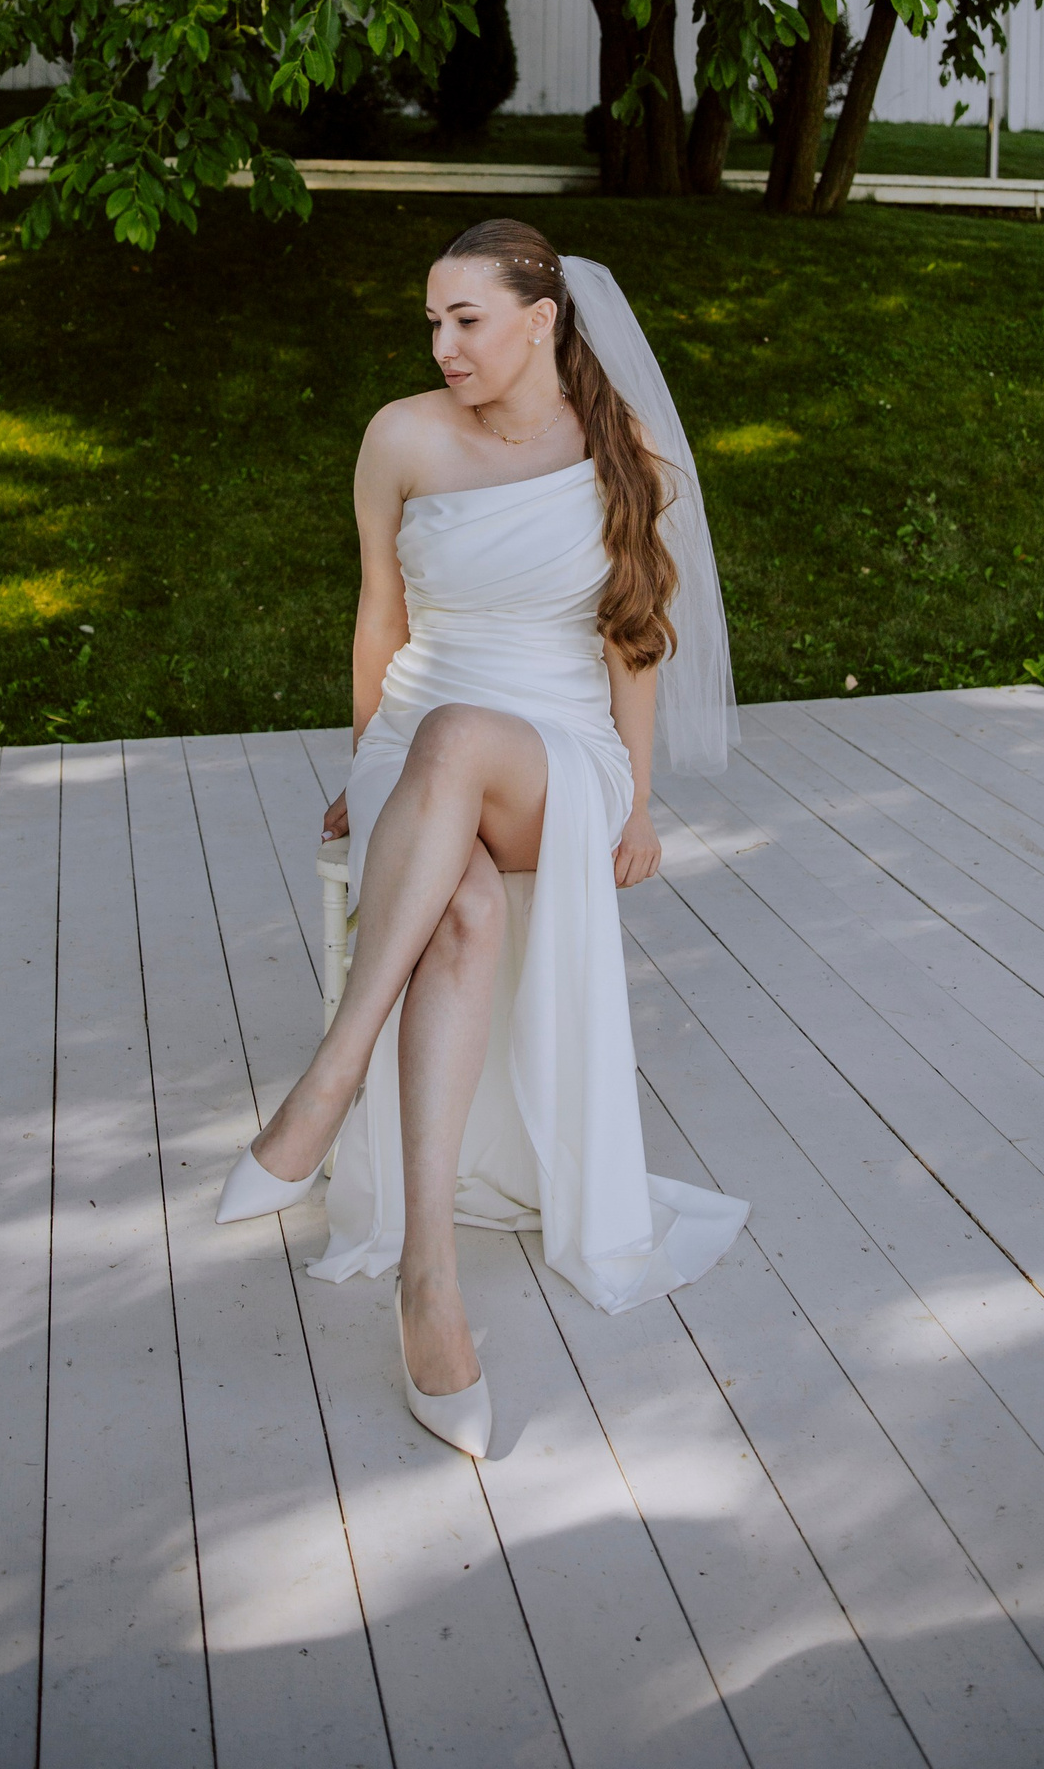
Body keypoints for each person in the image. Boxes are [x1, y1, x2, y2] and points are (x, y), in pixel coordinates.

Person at [216, 218, 748, 1455]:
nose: (443, 345)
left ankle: (331, 1075)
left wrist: (637, 801)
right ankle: (429, 1284)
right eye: (431, 323)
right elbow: (379, 615)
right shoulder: (400, 437)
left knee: (459, 735)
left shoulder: (624, 454)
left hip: (552, 757)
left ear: (540, 320)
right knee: (456, 903)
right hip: (416, 743)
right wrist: (366, 765)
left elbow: (633, 640)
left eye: (467, 319)